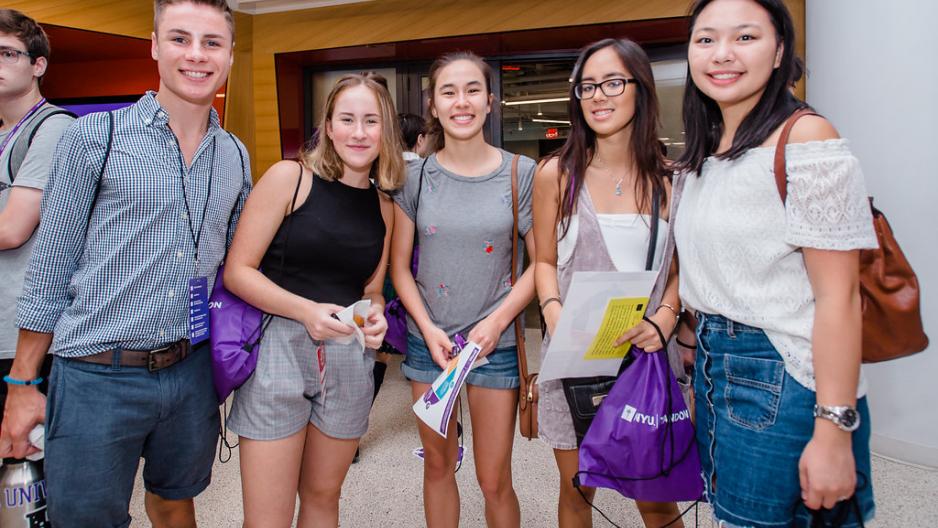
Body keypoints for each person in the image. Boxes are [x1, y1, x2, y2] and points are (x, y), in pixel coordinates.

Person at [0, 1, 251, 525]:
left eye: (212, 43)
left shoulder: (234, 154)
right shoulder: (96, 136)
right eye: (180, 39)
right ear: (155, 47)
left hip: (190, 369)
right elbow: (50, 269)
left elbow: (238, 266)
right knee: (87, 518)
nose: (196, 55)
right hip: (96, 375)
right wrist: (22, 386)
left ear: (230, 54)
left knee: (175, 500)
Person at [674, 0, 877, 526]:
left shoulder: (806, 138)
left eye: (745, 37)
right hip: (717, 367)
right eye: (706, 39)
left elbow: (838, 297)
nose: (722, 54)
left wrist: (834, 430)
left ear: (780, 49)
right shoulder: (706, 151)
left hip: (784, 374)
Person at [224, 72, 402, 527]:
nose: (359, 132)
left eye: (371, 121)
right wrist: (305, 311)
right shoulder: (290, 178)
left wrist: (376, 315)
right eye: (347, 119)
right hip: (278, 349)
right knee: (269, 517)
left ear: (386, 130)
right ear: (328, 126)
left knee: (324, 497)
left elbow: (371, 290)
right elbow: (238, 271)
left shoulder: (385, 208)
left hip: (348, 355)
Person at [532, 38, 684, 528]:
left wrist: (664, 320)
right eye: (587, 86)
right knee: (578, 491)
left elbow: (679, 272)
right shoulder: (555, 174)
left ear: (641, 89)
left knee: (656, 499)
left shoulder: (671, 181)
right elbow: (543, 260)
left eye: (613, 82)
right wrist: (553, 311)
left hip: (646, 360)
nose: (598, 95)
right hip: (575, 358)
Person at [390, 51, 536, 528]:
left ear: (490, 101)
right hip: (428, 342)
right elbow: (400, 268)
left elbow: (542, 264)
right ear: (433, 105)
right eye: (449, 92)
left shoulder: (520, 173)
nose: (462, 102)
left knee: (494, 480)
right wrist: (428, 328)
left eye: (473, 90)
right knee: (437, 466)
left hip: (496, 344)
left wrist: (496, 324)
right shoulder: (415, 177)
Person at [0, 9, 74, 421]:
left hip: (25, 335)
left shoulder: (53, 129)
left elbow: (12, 229)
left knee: (23, 454)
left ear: (38, 65)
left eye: (7, 53)